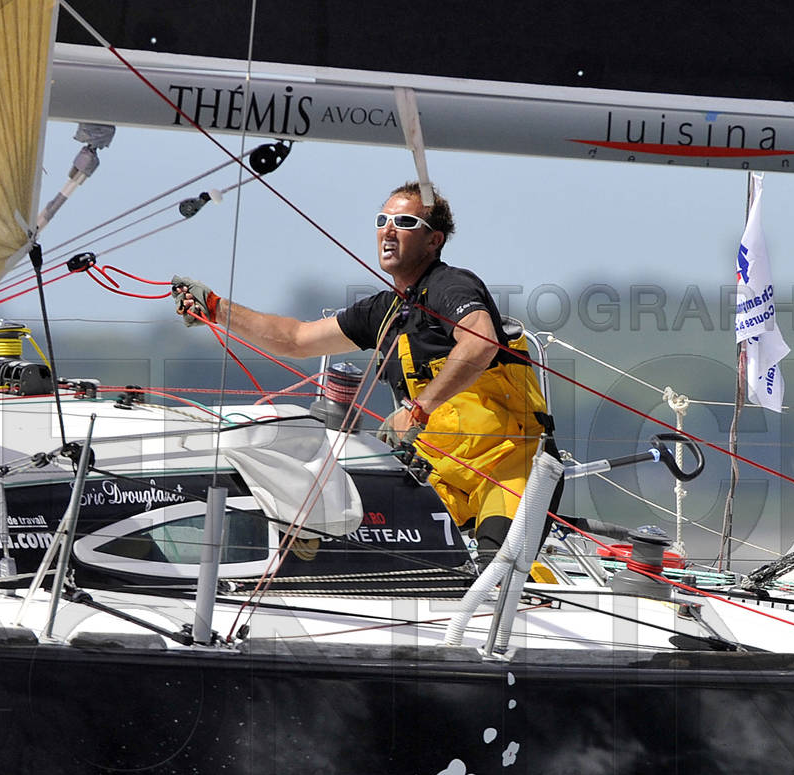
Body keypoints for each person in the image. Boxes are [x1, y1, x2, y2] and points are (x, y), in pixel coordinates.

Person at [172, 182, 551, 558]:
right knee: (373, 557)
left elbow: (480, 343)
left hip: (505, 466)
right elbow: (295, 339)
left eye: (404, 222)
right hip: (440, 474)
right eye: (382, 220)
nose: (388, 230)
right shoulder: (383, 310)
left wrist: (416, 410)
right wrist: (216, 309)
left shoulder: (451, 286)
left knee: (499, 572)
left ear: (433, 241)